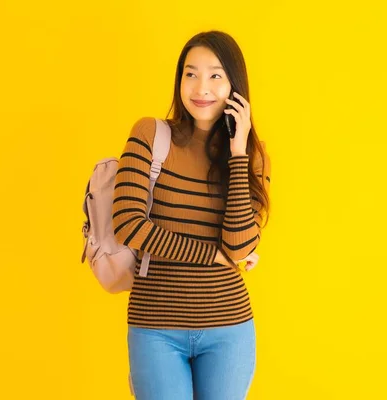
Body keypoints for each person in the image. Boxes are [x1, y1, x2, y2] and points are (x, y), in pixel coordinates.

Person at [111, 30, 271, 400]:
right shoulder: (149, 134)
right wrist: (210, 255)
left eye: (216, 75)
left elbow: (239, 244)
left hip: (229, 327)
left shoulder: (251, 156)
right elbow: (128, 224)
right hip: (156, 326)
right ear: (179, 80)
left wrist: (237, 151)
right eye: (191, 73)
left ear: (234, 86)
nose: (202, 87)